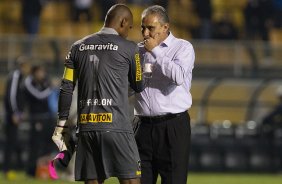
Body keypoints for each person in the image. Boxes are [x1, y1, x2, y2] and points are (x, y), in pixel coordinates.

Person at [51, 4, 145, 184]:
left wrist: (62, 124)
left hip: (86, 127)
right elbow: (139, 85)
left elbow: (66, 87)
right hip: (117, 126)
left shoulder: (77, 47)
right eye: (130, 26)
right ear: (124, 22)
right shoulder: (129, 48)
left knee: (92, 181)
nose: (129, 31)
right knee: (132, 180)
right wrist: (146, 70)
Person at [134, 5, 195, 184]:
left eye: (150, 28)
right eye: (142, 28)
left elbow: (177, 77)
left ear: (165, 27)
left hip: (173, 126)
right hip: (142, 127)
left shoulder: (183, 48)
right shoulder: (137, 52)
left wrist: (156, 51)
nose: (145, 33)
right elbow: (130, 87)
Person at [23, 65, 55, 177]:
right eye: (40, 72)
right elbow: (39, 96)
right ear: (35, 72)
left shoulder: (45, 82)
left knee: (48, 145)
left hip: (47, 117)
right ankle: (31, 171)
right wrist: (50, 88)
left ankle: (46, 171)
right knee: (35, 145)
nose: (43, 74)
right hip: (36, 118)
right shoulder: (29, 83)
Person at [3, 56, 30, 179]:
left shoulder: (20, 77)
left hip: (16, 115)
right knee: (10, 142)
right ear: (23, 65)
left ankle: (14, 168)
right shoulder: (15, 75)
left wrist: (21, 111)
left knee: (14, 141)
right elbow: (11, 95)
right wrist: (15, 112)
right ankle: (7, 170)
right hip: (11, 116)